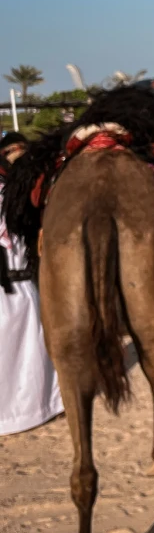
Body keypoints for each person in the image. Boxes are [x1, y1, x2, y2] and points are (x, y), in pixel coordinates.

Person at [0, 133, 65, 435]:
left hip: (25, 284)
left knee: (34, 352)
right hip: (9, 283)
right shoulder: (10, 190)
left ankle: (38, 407)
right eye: (15, 151)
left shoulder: (21, 188)